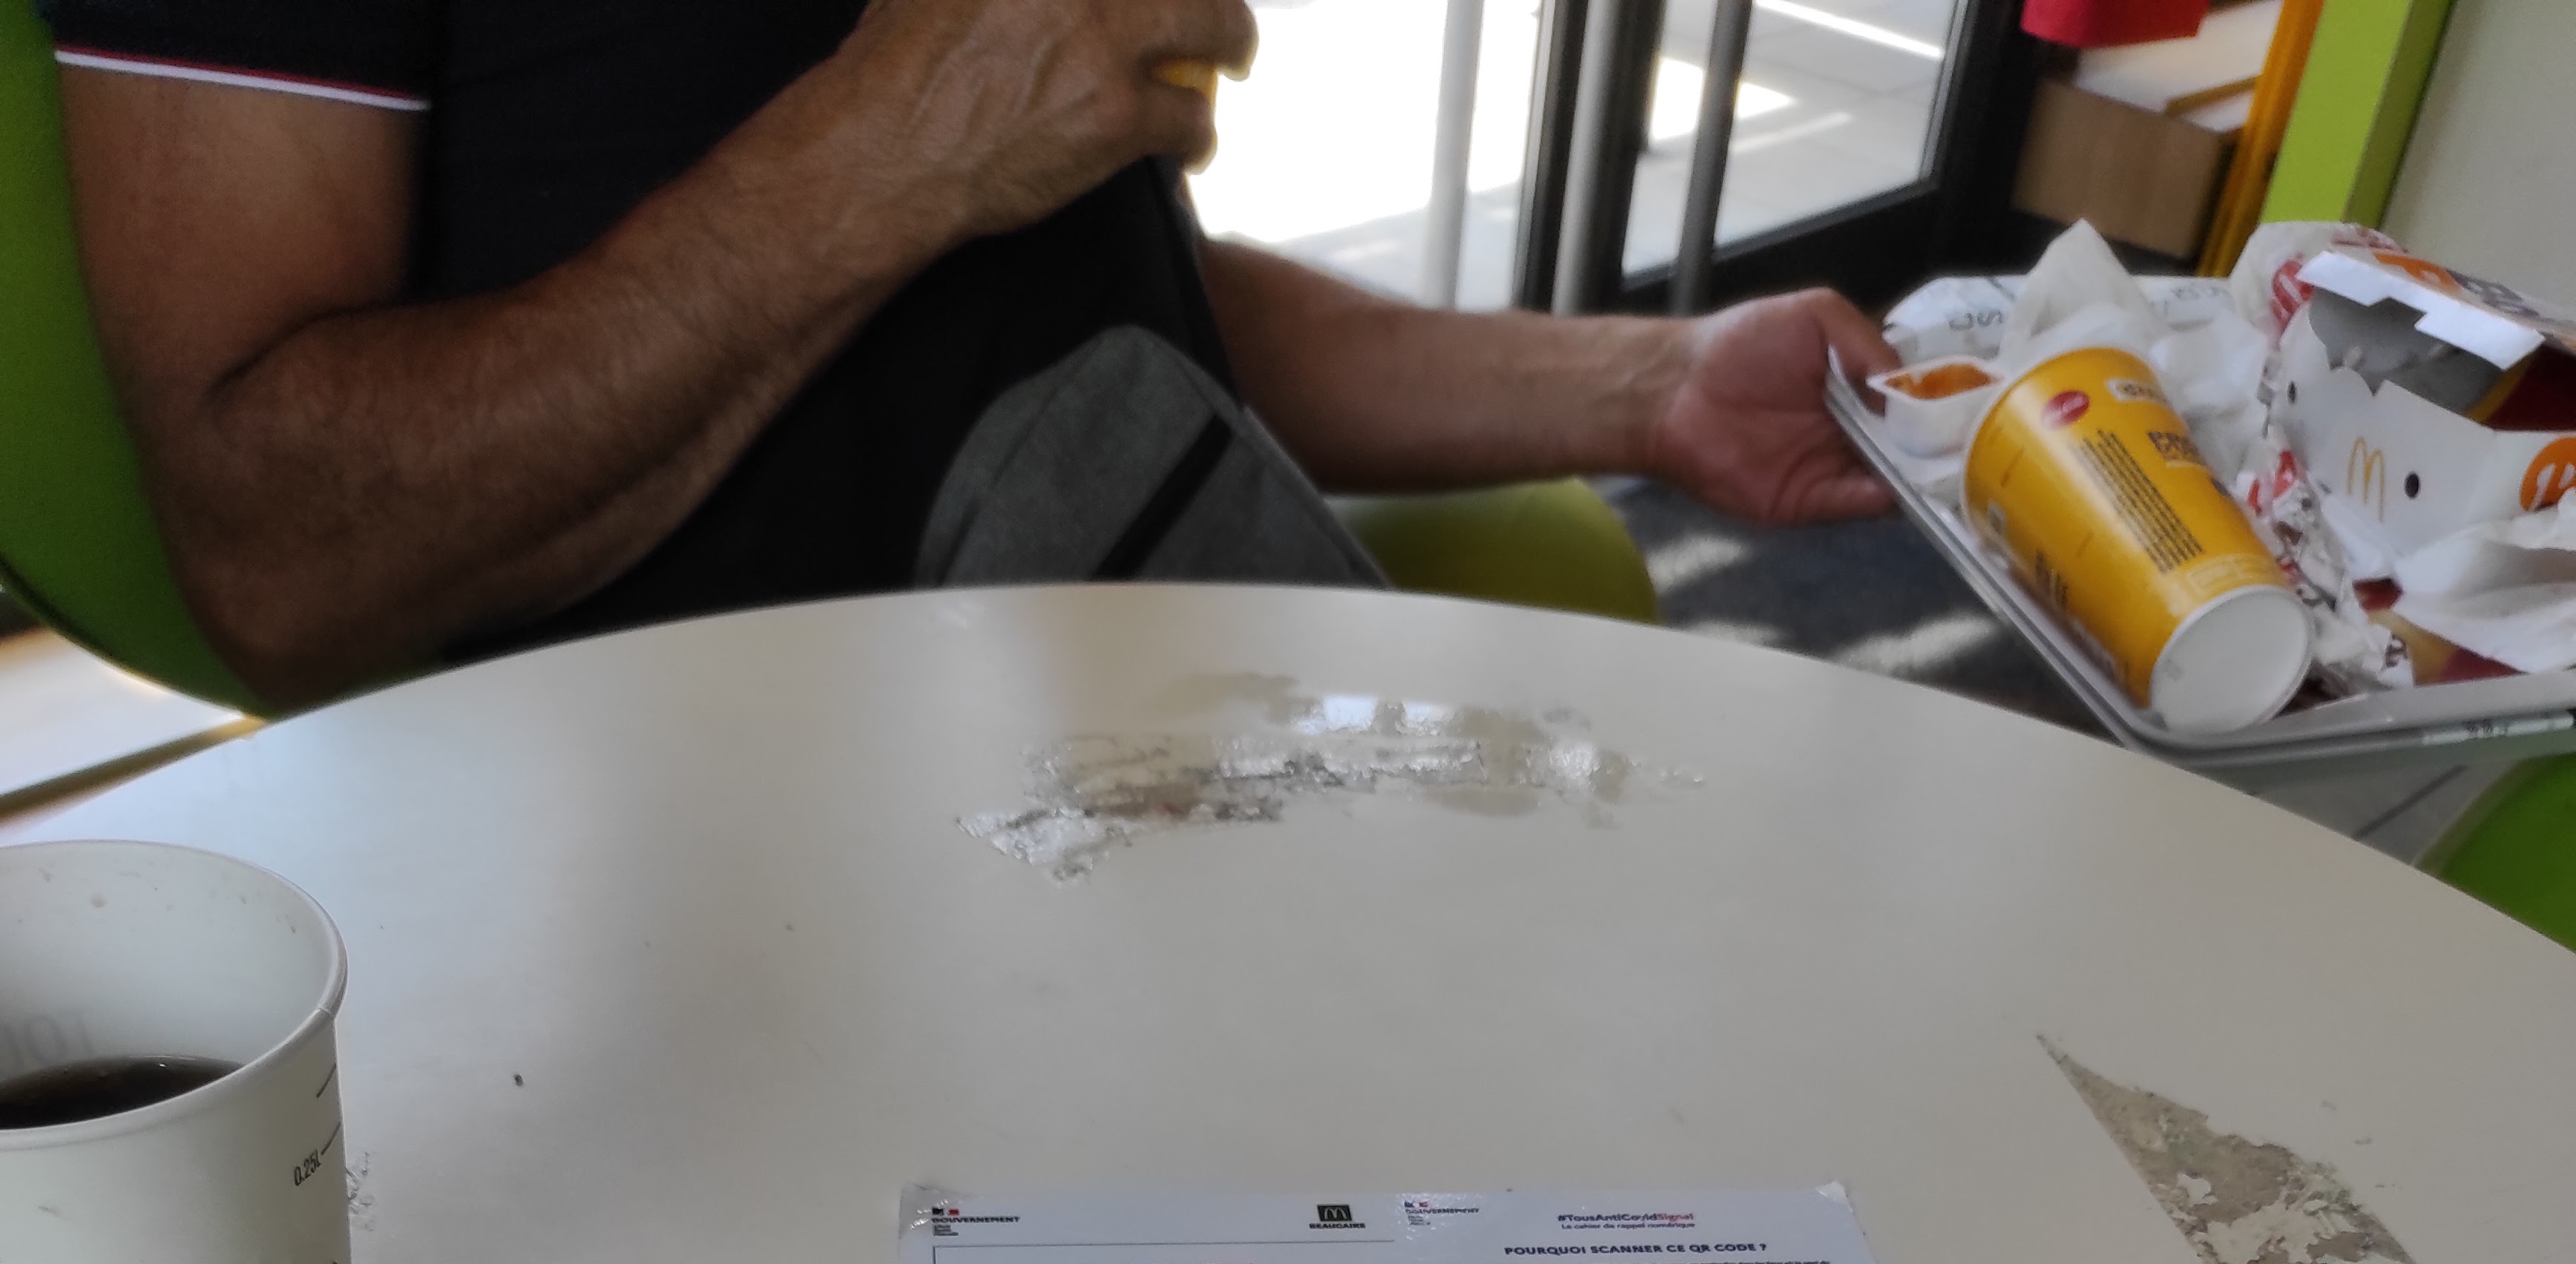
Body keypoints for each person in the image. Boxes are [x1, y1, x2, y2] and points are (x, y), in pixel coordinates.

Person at [41, 0, 1899, 708]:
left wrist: (1645, 386)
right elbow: (275, 558)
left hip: (1177, 724)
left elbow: (1061, 303)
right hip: (749, 887)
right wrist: (891, 149)